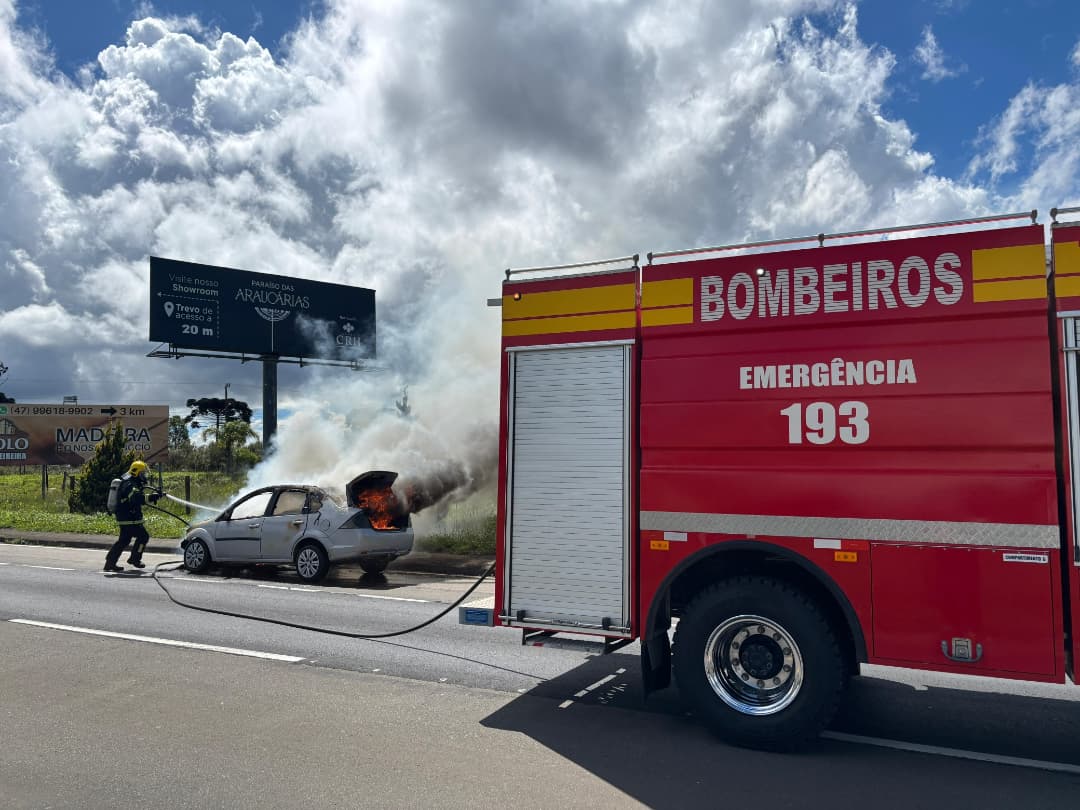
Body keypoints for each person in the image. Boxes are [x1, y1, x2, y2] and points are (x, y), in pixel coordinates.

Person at [103, 460, 161, 573]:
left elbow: (137, 497)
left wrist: (155, 496)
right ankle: (135, 559)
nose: (144, 475)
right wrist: (151, 497)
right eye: (142, 473)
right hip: (129, 519)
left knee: (124, 540)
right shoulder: (130, 484)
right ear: (136, 472)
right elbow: (136, 498)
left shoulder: (131, 482)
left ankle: (110, 563)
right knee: (143, 537)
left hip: (128, 518)